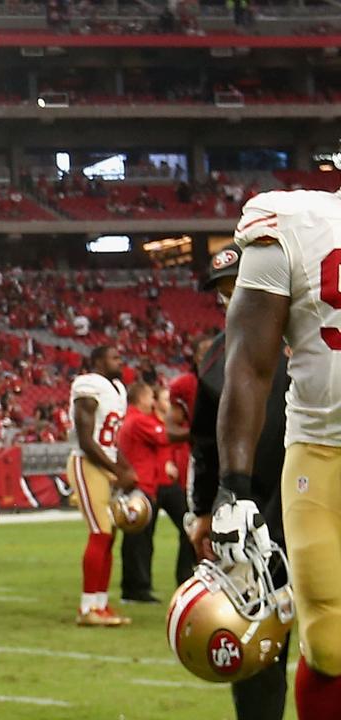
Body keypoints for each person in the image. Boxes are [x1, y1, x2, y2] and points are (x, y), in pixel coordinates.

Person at [206, 192, 341, 719]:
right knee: (328, 642)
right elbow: (249, 363)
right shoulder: (292, 222)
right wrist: (233, 487)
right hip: (322, 455)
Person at [186, 243, 291, 720]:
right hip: (260, 508)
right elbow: (207, 445)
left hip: (283, 502)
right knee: (260, 637)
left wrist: (206, 510)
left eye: (237, 288)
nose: (231, 299)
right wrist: (206, 509)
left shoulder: (221, 355)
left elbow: (206, 447)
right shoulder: (217, 356)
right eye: (224, 292)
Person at [67, 345, 137, 626]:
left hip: (104, 464)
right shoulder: (88, 385)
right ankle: (87, 609)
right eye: (114, 357)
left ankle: (101, 603)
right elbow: (86, 441)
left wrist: (124, 467)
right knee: (100, 532)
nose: (120, 361)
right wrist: (117, 470)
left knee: (109, 537)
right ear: (97, 361)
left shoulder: (118, 389)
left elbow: (110, 439)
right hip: (86, 464)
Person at [117, 381, 188, 602]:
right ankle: (136, 588)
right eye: (152, 397)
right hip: (143, 485)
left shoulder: (139, 420)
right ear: (142, 399)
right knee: (139, 537)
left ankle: (136, 587)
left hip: (152, 484)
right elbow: (164, 436)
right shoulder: (140, 420)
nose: (154, 401)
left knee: (140, 537)